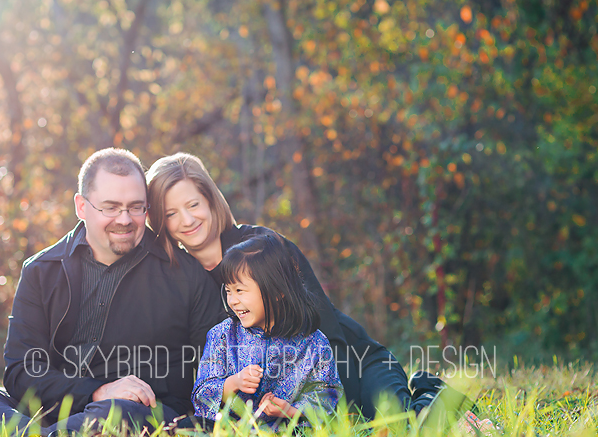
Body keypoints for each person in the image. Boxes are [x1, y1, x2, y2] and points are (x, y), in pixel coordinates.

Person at [0, 148, 226, 437]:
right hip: (58, 407)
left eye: (136, 207)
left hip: (141, 412)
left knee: (114, 413)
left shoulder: (185, 275)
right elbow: (21, 371)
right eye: (110, 207)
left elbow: (219, 367)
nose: (125, 219)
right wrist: (97, 392)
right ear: (81, 206)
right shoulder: (42, 270)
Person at [147, 152, 447, 421]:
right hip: (281, 406)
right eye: (171, 213)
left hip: (348, 362)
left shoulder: (261, 249)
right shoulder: (181, 279)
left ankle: (432, 390)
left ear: (211, 200)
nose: (186, 219)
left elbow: (325, 329)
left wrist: (337, 406)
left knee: (395, 421)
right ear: (161, 221)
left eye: (193, 204)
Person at [192, 231, 343, 431]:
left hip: (286, 431)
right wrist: (234, 382)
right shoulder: (222, 336)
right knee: (191, 427)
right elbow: (202, 392)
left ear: (278, 290)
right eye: (228, 291)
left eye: (240, 290)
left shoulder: (312, 342)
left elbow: (326, 392)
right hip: (230, 431)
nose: (233, 300)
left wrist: (290, 410)